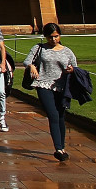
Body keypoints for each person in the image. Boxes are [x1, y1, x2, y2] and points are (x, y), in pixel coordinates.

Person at [25, 23, 78, 161]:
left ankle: (62, 146)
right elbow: (27, 61)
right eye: (50, 37)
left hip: (61, 86)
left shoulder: (67, 51)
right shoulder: (39, 48)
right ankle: (58, 149)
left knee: (61, 116)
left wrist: (71, 70)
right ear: (45, 37)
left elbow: (75, 68)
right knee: (53, 115)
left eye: (56, 36)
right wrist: (32, 66)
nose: (53, 40)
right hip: (43, 84)